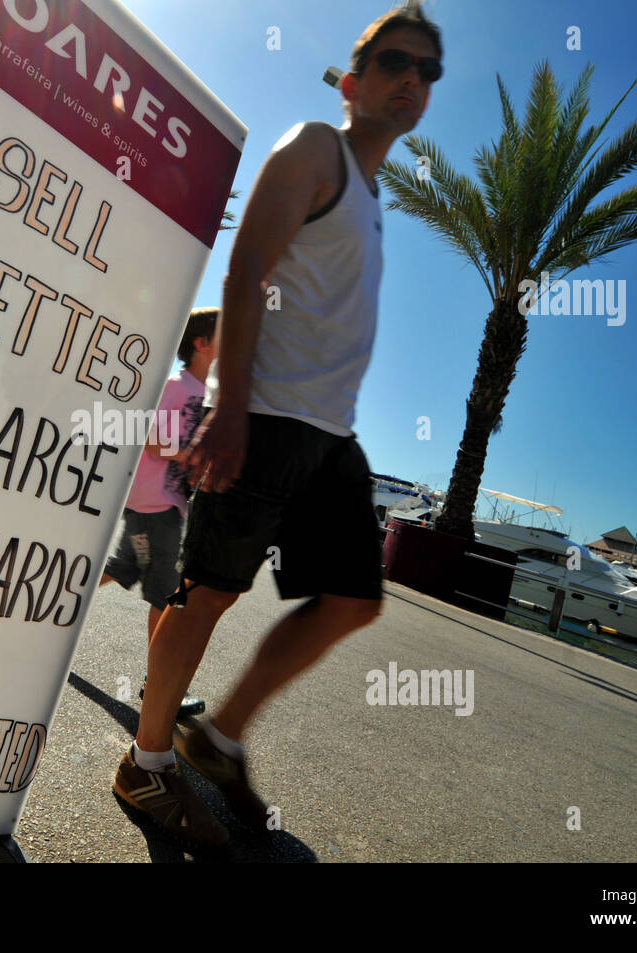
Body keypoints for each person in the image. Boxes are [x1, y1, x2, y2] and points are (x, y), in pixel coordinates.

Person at [112, 2, 443, 849]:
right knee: (207, 591)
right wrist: (226, 405)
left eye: (428, 72)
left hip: (331, 435)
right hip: (262, 413)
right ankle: (147, 766)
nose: (414, 81)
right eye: (398, 63)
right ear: (355, 78)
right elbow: (248, 263)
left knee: (351, 599)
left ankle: (215, 737)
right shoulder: (313, 150)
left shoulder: (373, 196)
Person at [99, 308, 218, 719]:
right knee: (170, 595)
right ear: (202, 343)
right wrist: (188, 454)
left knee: (122, 566)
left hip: (163, 502)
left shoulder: (202, 394)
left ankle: (56, 601)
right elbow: (150, 438)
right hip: (156, 500)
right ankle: (159, 685)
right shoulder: (178, 386)